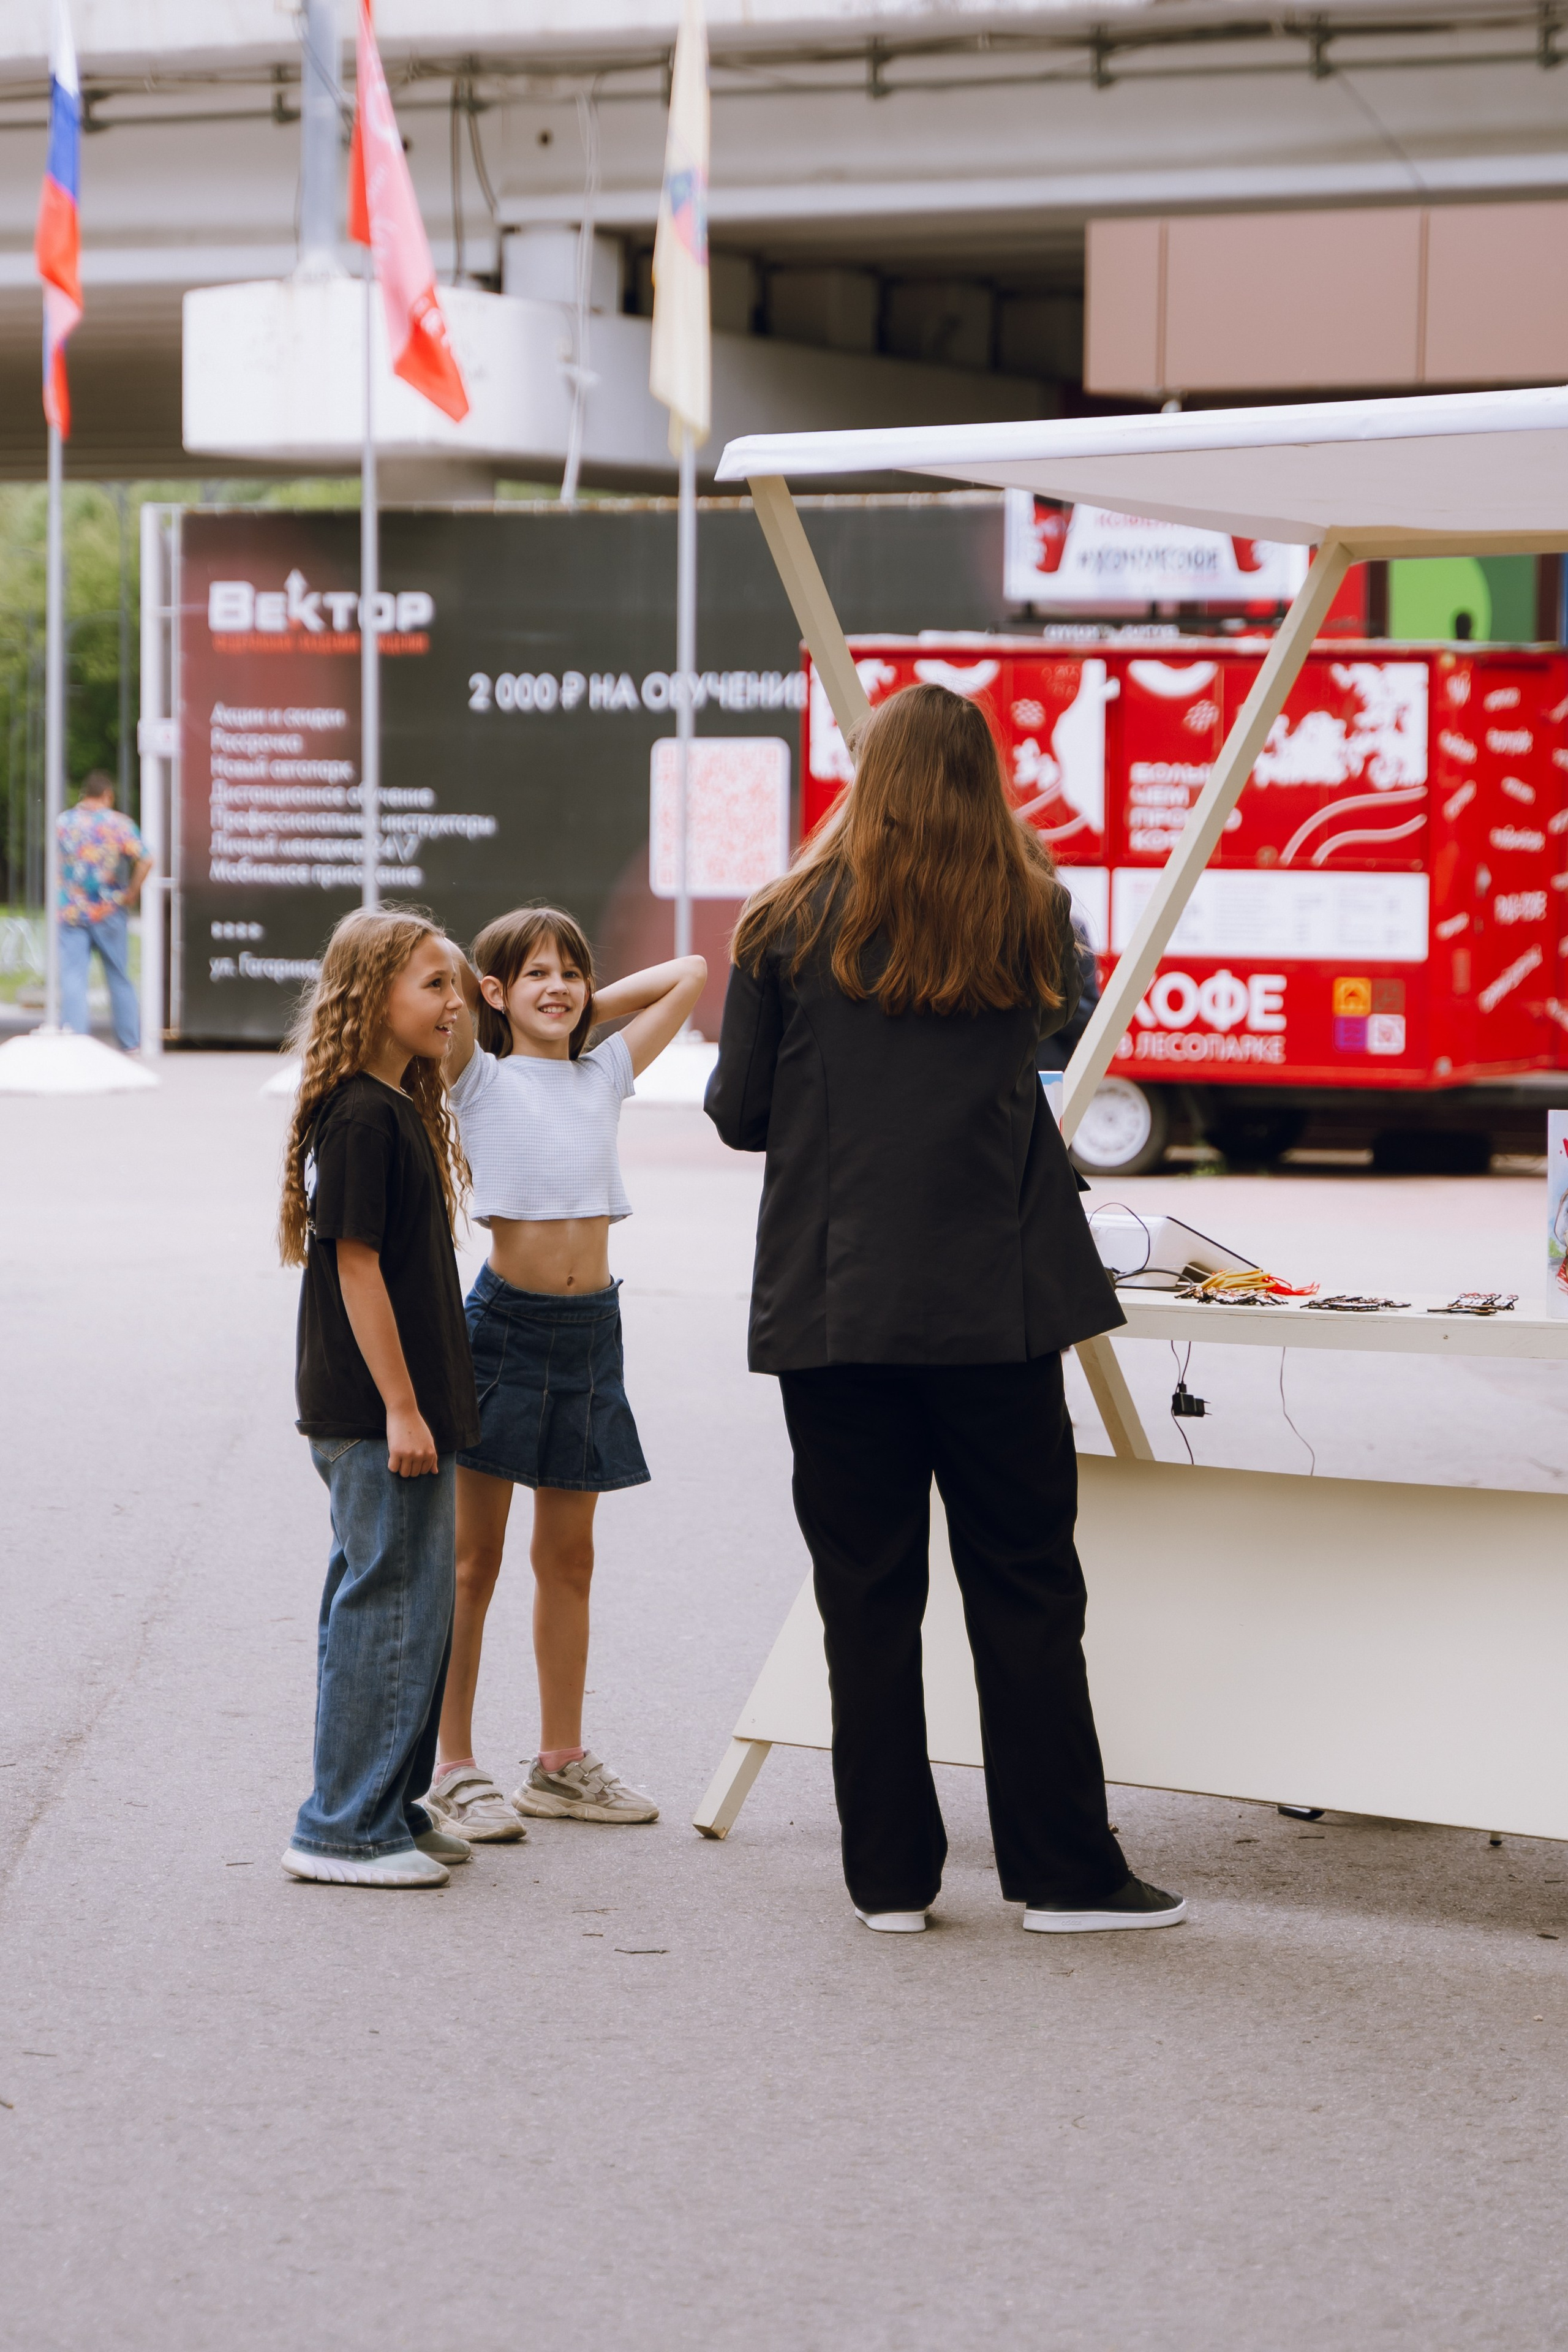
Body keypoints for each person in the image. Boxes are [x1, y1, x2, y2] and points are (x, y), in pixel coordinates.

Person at [705, 682, 1186, 1938]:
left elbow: (740, 1113)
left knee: (865, 1594)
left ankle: (890, 1880)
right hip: (995, 1306)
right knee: (1026, 1585)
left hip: (834, 1308)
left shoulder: (781, 921)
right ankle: (1064, 1874)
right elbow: (1058, 1035)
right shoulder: (1031, 912)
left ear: (864, 777)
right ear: (987, 781)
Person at [421, 907, 706, 1843]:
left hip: (591, 1336)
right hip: (504, 1331)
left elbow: (691, 973)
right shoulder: (478, 1075)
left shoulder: (604, 1071)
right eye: (536, 974)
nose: (559, 987)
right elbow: (444, 987)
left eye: (572, 973)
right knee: (473, 1563)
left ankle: (559, 1765)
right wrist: (510, 1009)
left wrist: (581, 1013)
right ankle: (452, 1768)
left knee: (570, 1559)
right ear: (494, 993)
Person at [278, 907, 481, 1890]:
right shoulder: (361, 1114)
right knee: (387, 1609)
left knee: (411, 1605)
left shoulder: (395, 1102)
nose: (456, 1003)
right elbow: (355, 1269)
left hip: (404, 1408)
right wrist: (403, 1408)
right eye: (435, 985)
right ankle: (343, 1831)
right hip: (376, 1413)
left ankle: (389, 1807)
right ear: (372, 996)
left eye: (457, 984)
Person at [56, 770, 151, 1050]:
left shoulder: (64, 823)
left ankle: (75, 1042)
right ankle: (130, 1042)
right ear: (108, 795)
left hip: (71, 910)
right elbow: (146, 859)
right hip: (109, 909)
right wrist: (132, 892)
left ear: (85, 794)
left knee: (73, 978)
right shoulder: (118, 824)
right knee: (118, 976)